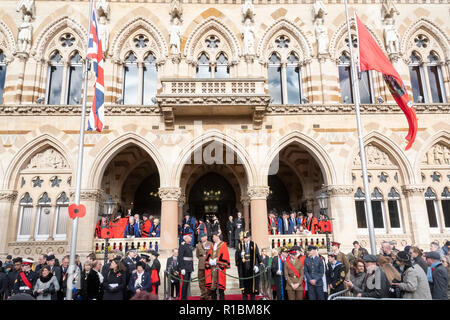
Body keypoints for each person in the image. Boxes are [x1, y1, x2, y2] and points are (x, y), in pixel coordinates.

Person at [235, 231, 262, 300]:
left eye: (246, 238)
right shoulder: (240, 245)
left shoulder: (254, 245)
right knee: (244, 286)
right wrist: (240, 255)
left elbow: (257, 256)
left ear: (249, 238)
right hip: (243, 268)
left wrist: (257, 265)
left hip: (251, 268)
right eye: (244, 238)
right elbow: (237, 256)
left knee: (252, 286)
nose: (245, 239)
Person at [205, 231, 230, 300]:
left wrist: (217, 261)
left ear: (217, 236)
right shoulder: (212, 245)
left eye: (213, 236)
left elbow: (225, 256)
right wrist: (210, 261)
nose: (213, 238)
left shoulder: (223, 245)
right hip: (212, 269)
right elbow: (209, 254)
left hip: (219, 268)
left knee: (220, 288)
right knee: (213, 288)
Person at [196, 230, 212, 300]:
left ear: (206, 237)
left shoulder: (210, 243)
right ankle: (203, 294)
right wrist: (202, 259)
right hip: (201, 265)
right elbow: (197, 255)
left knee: (208, 280)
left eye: (203, 237)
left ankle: (207, 295)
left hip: (208, 265)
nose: (202, 238)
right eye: (201, 237)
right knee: (201, 280)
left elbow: (212, 253)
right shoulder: (198, 244)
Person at [178, 233, 194, 300]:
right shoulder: (182, 246)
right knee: (184, 284)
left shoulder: (189, 245)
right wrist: (182, 268)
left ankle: (185, 297)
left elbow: (190, 258)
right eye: (190, 237)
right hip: (185, 267)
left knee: (187, 284)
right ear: (186, 238)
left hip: (189, 267)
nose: (191, 238)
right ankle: (183, 298)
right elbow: (180, 257)